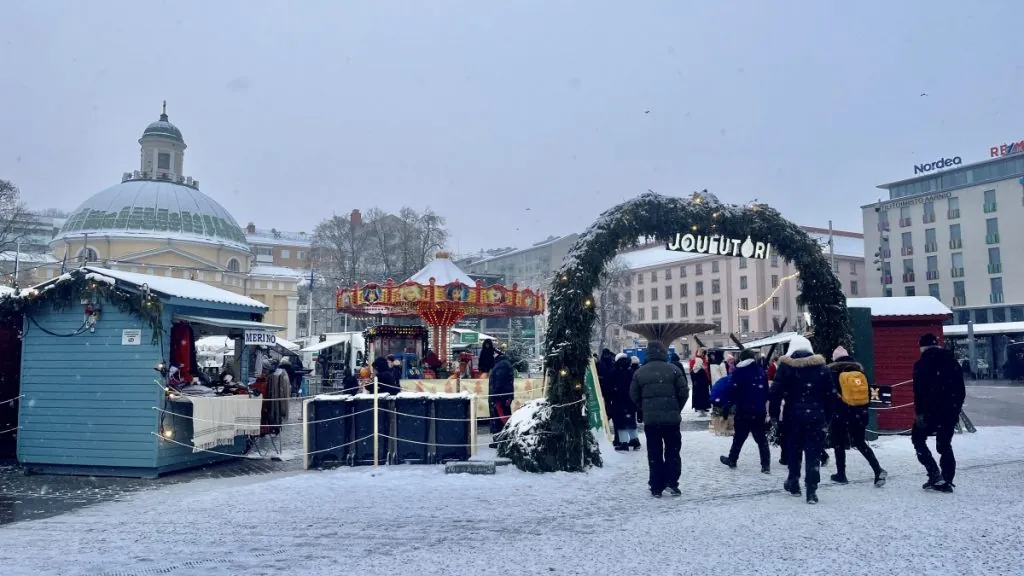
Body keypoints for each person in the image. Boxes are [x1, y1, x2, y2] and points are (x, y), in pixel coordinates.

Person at [769, 335, 834, 504]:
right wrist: (827, 418)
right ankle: (811, 490)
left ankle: (794, 482)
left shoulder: (785, 368)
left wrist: (774, 416)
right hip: (816, 417)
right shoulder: (822, 368)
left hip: (793, 417)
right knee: (813, 453)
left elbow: (775, 393)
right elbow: (831, 396)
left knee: (793, 450)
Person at [630, 341, 689, 498]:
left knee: (654, 453)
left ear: (648, 353)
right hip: (671, 421)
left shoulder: (640, 372)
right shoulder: (674, 370)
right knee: (673, 451)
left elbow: (633, 394)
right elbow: (684, 392)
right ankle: (672, 482)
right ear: (664, 352)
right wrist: (676, 408)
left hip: (651, 422)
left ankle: (656, 486)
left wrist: (645, 408)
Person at [912, 333, 966, 492]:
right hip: (950, 411)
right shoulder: (952, 362)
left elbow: (919, 392)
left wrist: (920, 412)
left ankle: (934, 473)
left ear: (922, 347)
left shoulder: (921, 364)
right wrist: (955, 409)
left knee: (918, 439)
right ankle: (947, 480)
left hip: (929, 411)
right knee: (944, 445)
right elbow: (961, 390)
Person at [828, 346, 887, 487]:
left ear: (835, 359)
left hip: (841, 414)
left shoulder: (834, 372)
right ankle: (877, 469)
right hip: (860, 414)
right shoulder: (859, 372)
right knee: (860, 443)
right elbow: (867, 394)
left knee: (839, 444)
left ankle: (841, 474)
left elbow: (831, 394)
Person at [720, 348, 771, 473]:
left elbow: (732, 391)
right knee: (761, 439)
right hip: (758, 410)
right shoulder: (761, 371)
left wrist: (726, 406)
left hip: (744, 410)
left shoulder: (739, 372)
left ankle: (732, 459)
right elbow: (766, 392)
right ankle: (765, 465)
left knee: (739, 436)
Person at [610, 352, 640, 451]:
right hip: (630, 401)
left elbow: (610, 388)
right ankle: (635, 440)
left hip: (618, 401)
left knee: (620, 423)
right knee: (631, 421)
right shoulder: (631, 371)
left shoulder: (614, 371)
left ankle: (623, 443)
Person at [488, 351, 515, 436]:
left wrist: (494, 395)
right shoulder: (503, 364)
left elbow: (499, 382)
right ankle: (502, 436)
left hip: (499, 397)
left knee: (500, 417)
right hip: (503, 396)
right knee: (503, 416)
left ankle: (500, 437)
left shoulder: (501, 365)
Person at [689, 349, 712, 415]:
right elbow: (693, 370)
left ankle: (704, 406)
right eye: (702, 353)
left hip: (704, 380)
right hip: (700, 382)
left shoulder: (704, 360)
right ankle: (699, 407)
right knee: (700, 394)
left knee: (704, 394)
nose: (703, 354)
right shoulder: (696, 360)